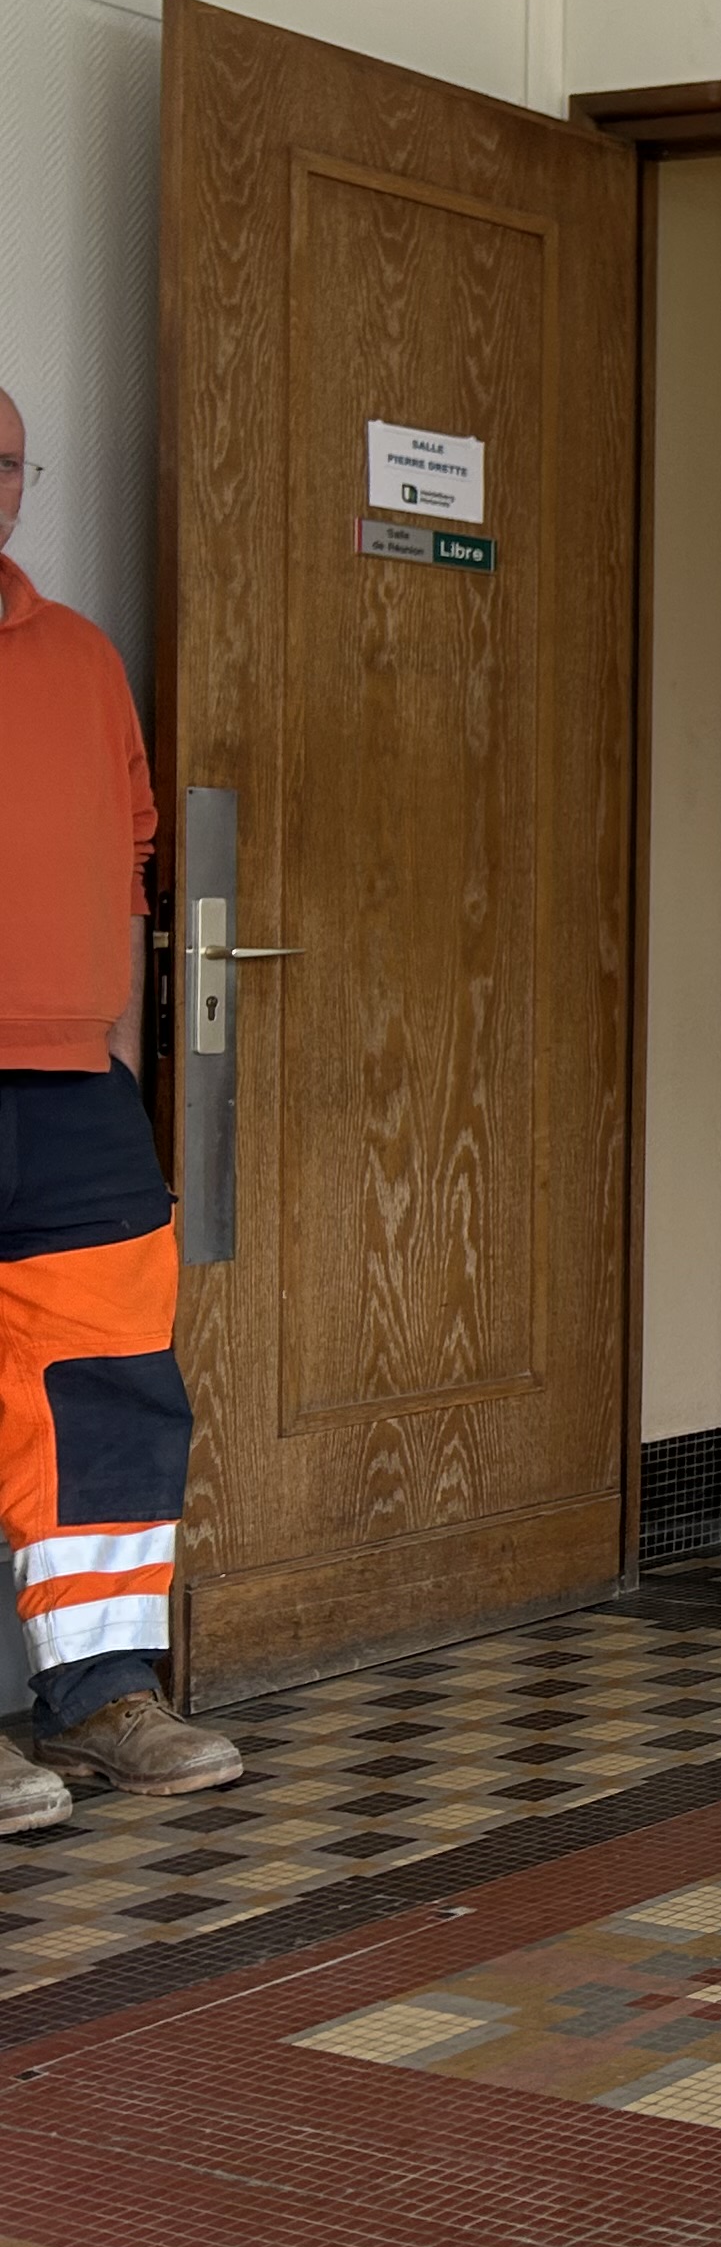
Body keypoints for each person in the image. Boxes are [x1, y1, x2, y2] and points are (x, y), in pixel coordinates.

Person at [0, 388, 242, 1827]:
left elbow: (140, 847)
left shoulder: (82, 659)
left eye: (8, 463)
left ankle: (98, 1703)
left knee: (108, 1395)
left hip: (71, 1089)